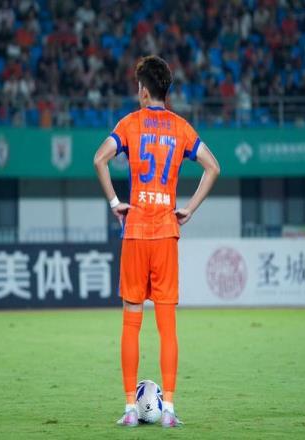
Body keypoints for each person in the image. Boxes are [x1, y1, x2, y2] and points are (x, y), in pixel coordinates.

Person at [93, 55, 220, 428]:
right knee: (167, 327)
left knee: (131, 323)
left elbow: (99, 159)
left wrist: (115, 203)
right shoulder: (181, 128)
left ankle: (130, 410)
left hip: (135, 232)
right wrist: (189, 209)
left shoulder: (130, 124)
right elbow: (214, 167)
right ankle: (169, 410)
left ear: (144, 91)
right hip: (166, 232)